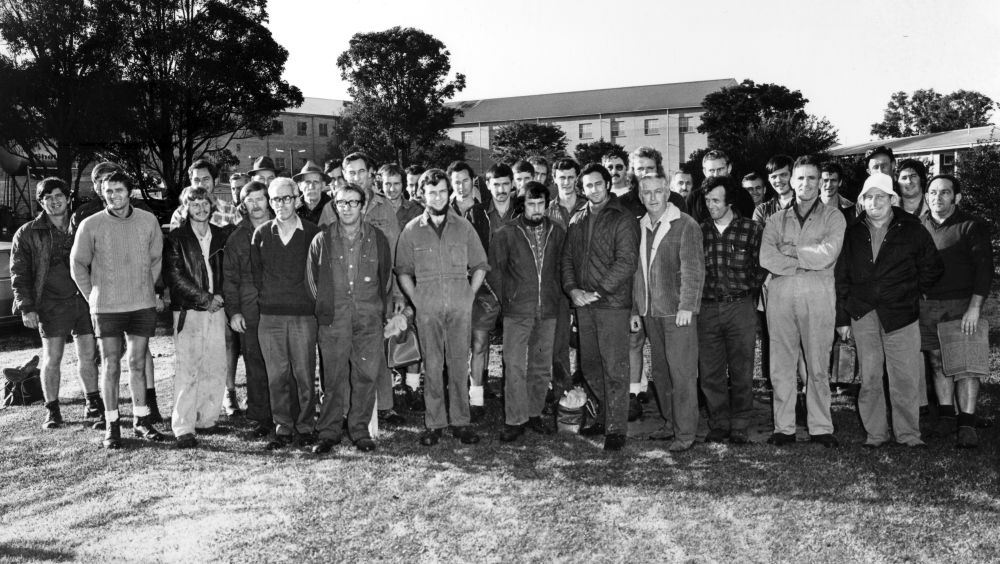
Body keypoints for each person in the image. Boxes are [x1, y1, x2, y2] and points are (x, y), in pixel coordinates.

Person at [836, 173, 942, 449]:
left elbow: (932, 267)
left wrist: (910, 291)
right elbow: (842, 277)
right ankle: (876, 435)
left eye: (880, 196)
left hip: (901, 315)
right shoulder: (853, 232)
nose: (875, 202)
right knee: (870, 377)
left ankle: (908, 435)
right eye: (869, 197)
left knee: (905, 378)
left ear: (892, 199)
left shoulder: (912, 229)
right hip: (864, 314)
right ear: (862, 202)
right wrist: (843, 317)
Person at [70, 171, 166, 449]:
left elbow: (156, 258)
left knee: (137, 364)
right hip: (107, 308)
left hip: (141, 305)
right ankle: (112, 425)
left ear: (129, 191)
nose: (113, 196)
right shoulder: (90, 224)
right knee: (110, 366)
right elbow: (77, 265)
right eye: (108, 191)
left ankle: (141, 420)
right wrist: (93, 297)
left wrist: (146, 288)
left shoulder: (148, 221)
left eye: (119, 190)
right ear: (102, 193)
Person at [395, 168, 489, 447]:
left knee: (459, 365)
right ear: (422, 195)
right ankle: (434, 423)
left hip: (460, 308)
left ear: (449, 193)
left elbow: (481, 265)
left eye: (442, 191)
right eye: (431, 192)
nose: (437, 197)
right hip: (428, 310)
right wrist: (418, 300)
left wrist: (468, 296)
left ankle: (461, 422)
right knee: (433, 366)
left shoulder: (463, 226)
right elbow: (402, 271)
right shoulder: (411, 231)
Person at [759, 155, 846, 448]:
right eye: (800, 178)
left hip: (818, 297)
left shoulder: (834, 217)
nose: (806, 183)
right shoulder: (774, 219)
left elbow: (828, 254)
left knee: (817, 365)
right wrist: (805, 257)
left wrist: (790, 251)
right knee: (781, 366)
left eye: (812, 178)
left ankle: (820, 426)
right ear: (791, 181)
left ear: (820, 181)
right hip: (781, 297)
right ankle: (783, 428)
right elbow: (766, 258)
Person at [316, 152, 405, 425]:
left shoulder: (383, 206)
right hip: (343, 294)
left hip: (379, 288)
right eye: (350, 173)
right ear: (344, 175)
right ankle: (343, 410)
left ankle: (384, 405)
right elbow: (322, 253)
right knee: (340, 355)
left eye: (360, 172)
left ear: (370, 173)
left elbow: (395, 250)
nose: (356, 177)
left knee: (375, 349)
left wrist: (398, 293)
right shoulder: (332, 207)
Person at [307, 183, 393, 453]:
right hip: (334, 320)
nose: (346, 208)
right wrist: (325, 309)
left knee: (366, 376)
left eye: (353, 202)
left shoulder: (378, 239)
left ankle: (359, 430)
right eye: (341, 203)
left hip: (368, 319)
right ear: (334, 205)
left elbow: (386, 279)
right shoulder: (322, 239)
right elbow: (311, 280)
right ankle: (329, 431)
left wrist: (380, 312)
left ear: (363, 206)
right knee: (333, 378)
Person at [11, 177, 101, 430]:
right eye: (47, 197)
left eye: (58, 195)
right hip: (50, 304)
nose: (54, 201)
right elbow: (19, 273)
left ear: (68, 197)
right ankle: (52, 409)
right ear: (40, 202)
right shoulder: (27, 233)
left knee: (88, 355)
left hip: (83, 300)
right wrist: (26, 307)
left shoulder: (82, 225)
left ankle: (93, 402)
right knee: (53, 357)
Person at [562, 163, 639, 451]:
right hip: (584, 305)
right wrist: (573, 290)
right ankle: (604, 417)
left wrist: (597, 291)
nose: (593, 189)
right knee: (591, 364)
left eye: (598, 183)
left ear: (607, 184)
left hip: (612, 305)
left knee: (614, 367)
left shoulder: (623, 217)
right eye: (588, 185)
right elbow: (567, 259)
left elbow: (626, 262)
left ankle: (616, 428)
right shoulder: (577, 218)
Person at [630, 174, 704, 451]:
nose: (652, 197)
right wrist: (635, 310)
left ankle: (685, 433)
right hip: (651, 312)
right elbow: (636, 273)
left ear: (667, 193)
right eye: (646, 192)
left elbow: (693, 269)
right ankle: (670, 422)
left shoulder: (685, 224)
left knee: (682, 372)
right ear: (640, 195)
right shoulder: (639, 226)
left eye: (658, 191)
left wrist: (687, 306)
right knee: (661, 373)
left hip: (677, 313)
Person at [920, 174, 994, 448]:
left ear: (957, 197)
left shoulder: (971, 226)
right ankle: (947, 416)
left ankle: (967, 423)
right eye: (933, 192)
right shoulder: (919, 226)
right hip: (927, 306)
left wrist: (974, 308)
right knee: (937, 364)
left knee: (965, 367)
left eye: (944, 192)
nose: (937, 197)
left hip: (962, 306)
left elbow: (984, 270)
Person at [487, 181, 565, 441]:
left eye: (540, 203)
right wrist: (506, 300)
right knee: (515, 366)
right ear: (523, 204)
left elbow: (561, 268)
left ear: (546, 204)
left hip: (548, 310)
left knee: (541, 367)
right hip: (517, 310)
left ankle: (534, 414)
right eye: (530, 204)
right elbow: (495, 271)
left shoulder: (557, 231)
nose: (536, 209)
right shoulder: (506, 232)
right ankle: (515, 419)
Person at [250, 178, 322, 450]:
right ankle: (283, 427)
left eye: (287, 198)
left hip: (304, 316)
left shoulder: (313, 233)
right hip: (271, 317)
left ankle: (305, 427)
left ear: (297, 199)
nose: (282, 204)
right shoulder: (261, 234)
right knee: (277, 375)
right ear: (270, 203)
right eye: (276, 199)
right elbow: (258, 275)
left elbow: (318, 274)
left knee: (304, 375)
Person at [698, 176, 766, 445]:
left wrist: (747, 291)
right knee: (710, 371)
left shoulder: (751, 229)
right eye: (707, 200)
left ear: (730, 202)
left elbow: (761, 266)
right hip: (707, 308)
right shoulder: (699, 230)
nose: (710, 205)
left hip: (740, 307)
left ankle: (740, 423)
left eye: (715, 200)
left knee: (742, 368)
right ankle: (718, 423)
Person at [163, 187, 230, 449]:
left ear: (211, 206)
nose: (200, 209)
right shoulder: (176, 238)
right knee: (188, 370)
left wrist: (220, 297)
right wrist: (205, 299)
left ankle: (207, 418)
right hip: (189, 311)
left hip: (217, 309)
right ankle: (183, 427)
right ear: (185, 208)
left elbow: (229, 270)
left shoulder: (221, 236)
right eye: (194, 204)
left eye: (204, 204)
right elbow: (175, 277)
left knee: (215, 365)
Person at [223, 181, 273, 438]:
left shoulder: (282, 228)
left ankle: (287, 413)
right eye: (249, 200)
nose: (255, 205)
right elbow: (229, 279)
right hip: (249, 308)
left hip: (280, 307)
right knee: (254, 363)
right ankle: (261, 417)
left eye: (260, 199)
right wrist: (234, 312)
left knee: (282, 362)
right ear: (243, 205)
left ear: (268, 200)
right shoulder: (237, 237)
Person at [447, 160, 494, 419]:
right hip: (451, 288)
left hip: (479, 288)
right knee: (455, 346)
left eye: (466, 180)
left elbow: (485, 255)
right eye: (456, 181)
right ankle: (455, 396)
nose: (461, 186)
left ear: (472, 181)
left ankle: (476, 398)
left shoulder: (482, 213)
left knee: (479, 342)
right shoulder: (443, 211)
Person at [545, 158, 586, 406]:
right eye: (562, 177)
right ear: (554, 179)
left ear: (577, 177)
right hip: (557, 286)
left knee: (587, 343)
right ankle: (562, 392)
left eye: (571, 177)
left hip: (585, 284)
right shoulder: (548, 210)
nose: (567, 182)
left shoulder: (588, 206)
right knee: (559, 342)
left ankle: (588, 391)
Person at [484, 163, 522, 231]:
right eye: (496, 184)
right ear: (488, 185)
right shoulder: (475, 213)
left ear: (512, 183)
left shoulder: (523, 212)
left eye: (505, 184)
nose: (501, 190)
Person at [294, 161, 331, 225]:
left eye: (316, 182)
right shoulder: (293, 209)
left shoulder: (333, 207)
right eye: (307, 182)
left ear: (323, 185)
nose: (311, 186)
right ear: (300, 186)